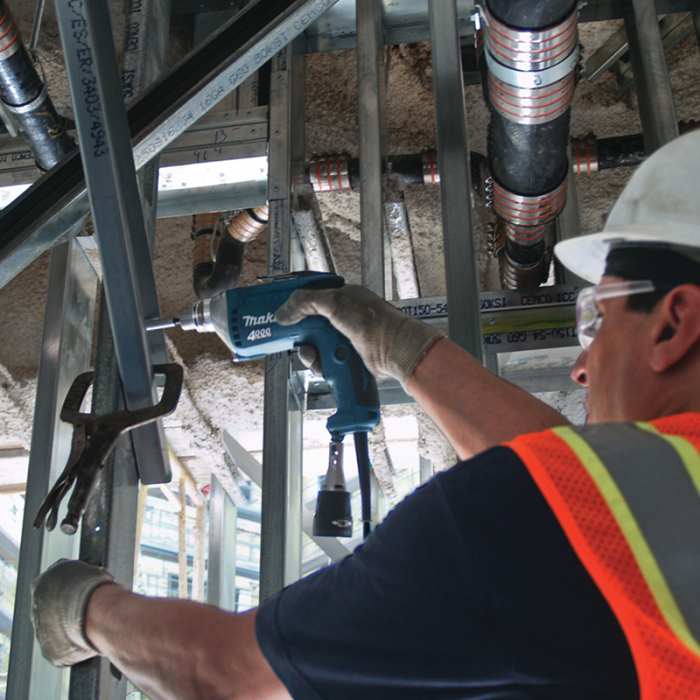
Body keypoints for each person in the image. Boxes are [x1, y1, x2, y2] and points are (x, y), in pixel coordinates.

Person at [30, 130, 700, 700]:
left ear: (674, 324)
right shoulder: (656, 502)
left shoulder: (527, 519)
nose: (581, 366)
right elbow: (578, 495)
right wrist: (404, 350)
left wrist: (84, 610)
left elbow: (224, 672)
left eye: (598, 319)